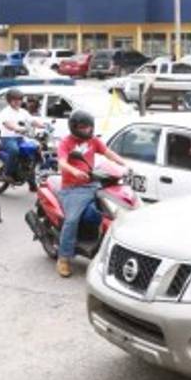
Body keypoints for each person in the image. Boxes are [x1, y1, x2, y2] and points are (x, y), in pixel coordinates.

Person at [55, 109, 127, 278]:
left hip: (93, 184)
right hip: (73, 189)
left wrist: (125, 165)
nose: (87, 130)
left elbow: (108, 153)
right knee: (72, 220)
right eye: (83, 127)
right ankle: (64, 258)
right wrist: (74, 171)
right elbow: (62, 162)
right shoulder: (66, 142)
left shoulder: (93, 140)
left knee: (110, 211)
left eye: (89, 127)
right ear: (74, 127)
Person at [0, 88, 30, 181]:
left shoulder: (23, 112)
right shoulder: (5, 112)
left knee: (31, 151)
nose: (18, 101)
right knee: (14, 150)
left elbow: (32, 120)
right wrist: (16, 128)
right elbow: (7, 124)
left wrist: (44, 125)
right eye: (15, 99)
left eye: (19, 99)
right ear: (9, 100)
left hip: (20, 138)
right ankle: (7, 173)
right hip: (8, 138)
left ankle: (30, 180)